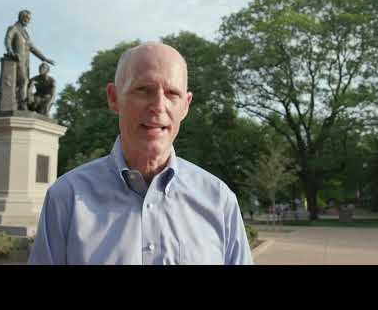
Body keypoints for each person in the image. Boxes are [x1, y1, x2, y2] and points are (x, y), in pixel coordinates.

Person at [28, 42, 253, 265]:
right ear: (114, 98)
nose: (158, 105)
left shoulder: (219, 201)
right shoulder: (66, 199)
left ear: (185, 105)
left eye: (172, 93)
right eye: (143, 90)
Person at [4, 10, 55, 110]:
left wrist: (44, 58)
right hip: (17, 60)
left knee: (22, 84)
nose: (28, 21)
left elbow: (32, 48)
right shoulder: (13, 28)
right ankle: (23, 105)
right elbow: (8, 39)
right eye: (27, 18)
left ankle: (18, 104)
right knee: (24, 81)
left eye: (29, 19)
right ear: (21, 17)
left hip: (25, 62)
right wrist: (10, 50)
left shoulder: (25, 34)